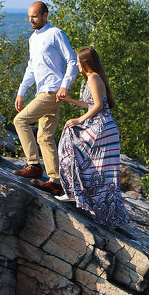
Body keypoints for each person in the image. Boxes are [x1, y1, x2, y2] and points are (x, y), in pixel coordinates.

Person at [55, 47, 128, 228]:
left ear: (86, 62)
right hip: (103, 127)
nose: (77, 65)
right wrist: (69, 100)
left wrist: (79, 120)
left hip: (102, 128)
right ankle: (100, 210)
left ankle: (76, 193)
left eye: (79, 62)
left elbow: (96, 106)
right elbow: (90, 105)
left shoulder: (94, 78)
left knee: (72, 142)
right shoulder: (93, 78)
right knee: (99, 170)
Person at [13, 1, 78, 194]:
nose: (31, 20)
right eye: (29, 17)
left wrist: (65, 85)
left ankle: (33, 165)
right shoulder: (33, 39)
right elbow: (31, 67)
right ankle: (56, 181)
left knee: (20, 121)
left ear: (45, 16)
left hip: (52, 91)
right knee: (44, 137)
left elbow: (72, 60)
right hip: (42, 91)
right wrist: (21, 91)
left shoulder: (55, 33)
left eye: (34, 16)